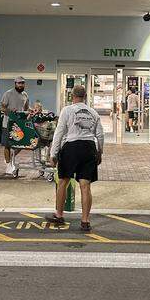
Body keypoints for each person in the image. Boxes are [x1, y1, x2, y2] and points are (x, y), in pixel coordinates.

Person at [48, 82, 104, 231]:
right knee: (85, 186)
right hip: (88, 148)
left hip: (71, 148)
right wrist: (99, 152)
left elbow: (59, 133)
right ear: (85, 97)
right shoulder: (93, 113)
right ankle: (85, 221)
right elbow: (100, 135)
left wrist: (53, 153)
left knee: (63, 182)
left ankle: (59, 215)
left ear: (72, 96)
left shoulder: (67, 111)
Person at [0, 77, 30, 177]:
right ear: (15, 83)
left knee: (21, 144)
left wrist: (32, 111)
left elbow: (26, 109)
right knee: (7, 145)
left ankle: (10, 157)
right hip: (8, 123)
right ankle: (8, 165)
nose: (21, 85)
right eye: (19, 83)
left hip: (20, 124)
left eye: (22, 83)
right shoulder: (8, 94)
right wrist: (10, 112)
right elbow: (2, 107)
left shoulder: (25, 95)